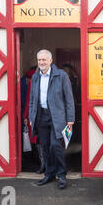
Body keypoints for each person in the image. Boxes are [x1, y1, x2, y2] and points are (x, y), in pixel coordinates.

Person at [29, 49, 75, 189]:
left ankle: (61, 175)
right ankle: (48, 174)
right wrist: (32, 116)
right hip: (41, 116)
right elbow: (32, 99)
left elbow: (69, 99)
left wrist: (70, 119)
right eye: (39, 60)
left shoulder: (61, 76)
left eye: (44, 60)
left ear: (50, 61)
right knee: (45, 147)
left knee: (56, 146)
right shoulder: (36, 77)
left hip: (57, 116)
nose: (41, 62)